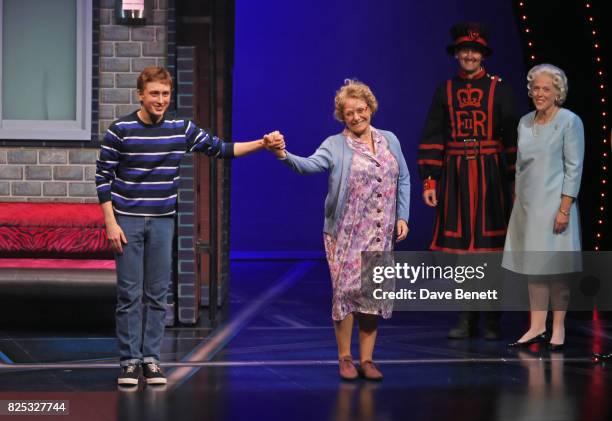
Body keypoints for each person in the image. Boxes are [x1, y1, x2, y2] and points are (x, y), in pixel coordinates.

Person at [95, 66, 283, 386]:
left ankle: (151, 360)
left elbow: (222, 149)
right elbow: (103, 179)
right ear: (141, 94)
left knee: (157, 294)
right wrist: (111, 224)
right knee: (129, 295)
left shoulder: (181, 129)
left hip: (163, 220)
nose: (160, 99)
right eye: (154, 93)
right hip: (127, 220)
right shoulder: (121, 130)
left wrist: (262, 144)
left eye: (165, 94)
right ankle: (129, 362)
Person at [265, 79, 411, 381]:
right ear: (341, 116)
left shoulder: (389, 140)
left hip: (380, 231)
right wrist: (283, 154)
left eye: (361, 110)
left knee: (373, 295)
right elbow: (308, 165)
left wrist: (402, 216)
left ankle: (367, 360)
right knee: (345, 294)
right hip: (346, 232)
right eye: (349, 113)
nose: (356, 117)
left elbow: (404, 179)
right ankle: (345, 357)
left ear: (370, 108)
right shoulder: (335, 145)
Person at [417, 22, 518, 340]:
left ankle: (491, 319)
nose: (470, 55)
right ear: (457, 54)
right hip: (457, 175)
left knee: (490, 249)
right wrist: (430, 181)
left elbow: (514, 136)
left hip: (491, 177)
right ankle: (465, 316)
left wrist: (516, 181)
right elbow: (433, 135)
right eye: (464, 50)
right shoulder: (444, 90)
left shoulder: (499, 88)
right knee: (463, 251)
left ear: (483, 54)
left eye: (475, 50)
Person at [504, 64, 584, 350]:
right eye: (535, 88)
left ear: (557, 92)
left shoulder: (569, 121)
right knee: (534, 269)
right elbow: (521, 167)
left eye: (545, 89)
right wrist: (518, 201)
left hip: (555, 206)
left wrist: (564, 208)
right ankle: (536, 326)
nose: (539, 93)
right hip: (528, 205)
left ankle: (558, 328)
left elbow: (574, 168)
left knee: (556, 270)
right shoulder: (525, 121)